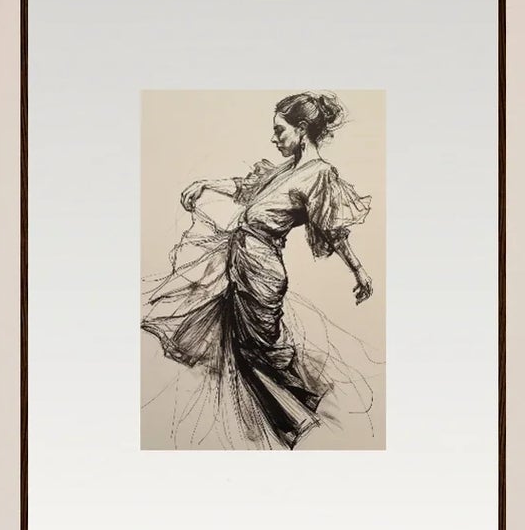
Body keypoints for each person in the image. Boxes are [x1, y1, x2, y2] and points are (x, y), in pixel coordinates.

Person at [143, 92, 377, 451]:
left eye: (279, 130)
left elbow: (332, 230)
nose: (274, 138)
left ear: (302, 129)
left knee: (259, 349)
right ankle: (288, 419)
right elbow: (244, 188)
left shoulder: (320, 174)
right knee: (240, 344)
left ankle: (295, 418)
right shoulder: (287, 169)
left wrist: (359, 271)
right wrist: (206, 184)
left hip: (263, 272)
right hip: (242, 263)